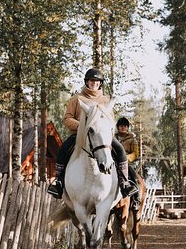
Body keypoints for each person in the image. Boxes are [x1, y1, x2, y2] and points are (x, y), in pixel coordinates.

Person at [47, 68, 139, 200]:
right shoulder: (76, 99)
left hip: (102, 136)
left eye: (97, 81)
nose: (94, 83)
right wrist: (81, 126)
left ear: (100, 83)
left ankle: (124, 183)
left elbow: (110, 120)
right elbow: (67, 118)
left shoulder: (106, 100)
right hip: (80, 134)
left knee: (120, 150)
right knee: (63, 149)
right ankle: (58, 181)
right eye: (92, 80)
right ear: (87, 82)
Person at [115, 117, 142, 211]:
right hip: (114, 160)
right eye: (121, 126)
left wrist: (126, 158)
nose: (123, 128)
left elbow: (136, 153)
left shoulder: (132, 139)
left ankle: (136, 198)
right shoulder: (113, 137)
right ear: (118, 127)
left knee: (132, 174)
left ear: (127, 128)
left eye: (125, 126)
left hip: (127, 161)